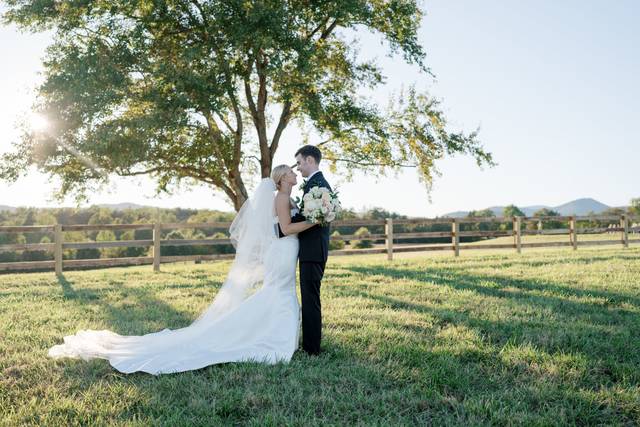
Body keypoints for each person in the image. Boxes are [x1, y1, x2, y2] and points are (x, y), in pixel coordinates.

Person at [48, 165, 315, 375]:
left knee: (277, 293)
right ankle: (273, 339)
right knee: (279, 293)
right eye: (290, 172)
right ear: (282, 178)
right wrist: (314, 221)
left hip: (284, 251)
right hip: (282, 251)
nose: (294, 173)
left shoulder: (284, 197)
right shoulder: (281, 197)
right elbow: (287, 229)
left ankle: (270, 334)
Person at [292, 145, 333, 355]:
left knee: (310, 299)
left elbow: (312, 219)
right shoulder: (315, 185)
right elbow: (306, 215)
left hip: (313, 251)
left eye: (299, 162)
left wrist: (280, 228)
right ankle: (310, 345)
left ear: (309, 160)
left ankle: (311, 348)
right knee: (309, 298)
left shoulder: (319, 185)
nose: (298, 168)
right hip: (312, 250)